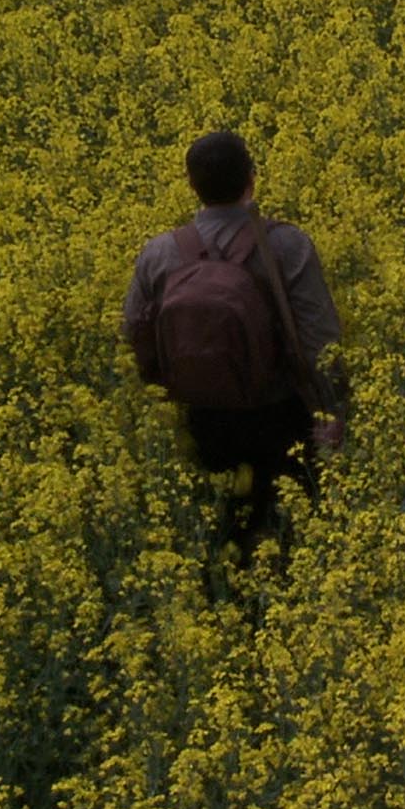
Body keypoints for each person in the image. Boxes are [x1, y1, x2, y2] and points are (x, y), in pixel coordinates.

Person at [124, 131, 344, 565]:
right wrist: (332, 410)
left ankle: (224, 612)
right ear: (252, 178)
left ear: (191, 185)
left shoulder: (159, 253)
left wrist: (160, 402)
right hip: (279, 416)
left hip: (201, 418)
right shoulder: (286, 245)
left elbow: (135, 336)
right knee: (289, 535)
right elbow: (321, 339)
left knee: (218, 533)